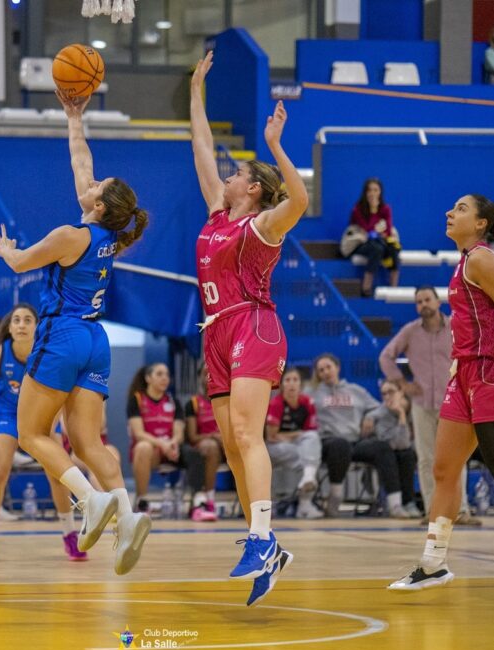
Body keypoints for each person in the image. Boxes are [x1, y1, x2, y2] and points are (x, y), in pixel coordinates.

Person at [0, 90, 151, 576]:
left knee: (30, 432)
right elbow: (82, 162)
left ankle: (88, 499)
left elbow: (20, 263)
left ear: (98, 204)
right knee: (86, 441)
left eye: (98, 185)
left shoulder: (70, 235)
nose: (92, 180)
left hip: (61, 336)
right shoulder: (107, 235)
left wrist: (5, 249)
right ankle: (125, 517)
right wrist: (74, 118)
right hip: (96, 342)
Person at [190, 51, 308, 606]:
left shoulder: (264, 224)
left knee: (245, 434)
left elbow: (301, 200)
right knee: (233, 449)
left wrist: (278, 146)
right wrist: (195, 91)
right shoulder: (218, 214)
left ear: (255, 189)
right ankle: (268, 544)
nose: (229, 175)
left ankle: (261, 539)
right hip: (214, 330)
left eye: (239, 173)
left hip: (253, 326)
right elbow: (202, 150)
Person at [388, 194, 494, 602]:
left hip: (491, 372)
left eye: (462, 209)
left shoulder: (483, 259)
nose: (450, 212)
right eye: (450, 207)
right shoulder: (464, 262)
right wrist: (458, 359)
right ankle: (434, 564)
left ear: (482, 223)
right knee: (443, 469)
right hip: (465, 373)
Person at [0, 304, 89, 563]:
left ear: (37, 326)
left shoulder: (48, 353)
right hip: (8, 415)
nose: (21, 324)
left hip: (41, 415)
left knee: (58, 476)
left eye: (27, 320)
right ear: (10, 327)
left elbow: (62, 392)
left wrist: (54, 424)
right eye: (17, 320)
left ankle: (70, 535)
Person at [379, 286, 480, 525]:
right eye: (419, 302)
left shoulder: (456, 326)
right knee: (426, 459)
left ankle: (461, 511)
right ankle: (432, 511)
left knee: (456, 459)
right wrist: (402, 383)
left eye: (427, 300)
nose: (423, 304)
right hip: (422, 404)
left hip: (454, 402)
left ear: (438, 302)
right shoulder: (410, 331)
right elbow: (386, 356)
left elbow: (472, 354)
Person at [311, 353, 410, 519]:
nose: (326, 372)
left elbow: (381, 407)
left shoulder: (356, 391)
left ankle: (395, 504)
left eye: (328, 367)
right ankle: (335, 498)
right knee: (339, 445)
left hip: (355, 441)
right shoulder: (313, 393)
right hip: (328, 443)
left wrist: (370, 416)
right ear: (318, 375)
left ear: (337, 368)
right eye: (321, 370)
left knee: (382, 447)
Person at [127, 363, 206, 518]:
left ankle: (198, 502)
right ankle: (142, 501)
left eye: (167, 374)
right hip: (151, 451)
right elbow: (139, 433)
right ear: (148, 378)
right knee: (143, 447)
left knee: (195, 453)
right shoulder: (136, 400)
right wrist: (162, 444)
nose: (165, 378)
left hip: (171, 450)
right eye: (159, 374)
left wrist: (173, 443)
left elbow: (179, 433)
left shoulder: (173, 401)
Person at [264, 368, 323, 520]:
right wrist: (295, 435)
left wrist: (299, 437)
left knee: (313, 440)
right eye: (288, 380)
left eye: (295, 380)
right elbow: (271, 436)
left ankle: (306, 494)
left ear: (301, 384)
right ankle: (304, 504)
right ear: (282, 384)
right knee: (311, 458)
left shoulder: (307, 402)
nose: (291, 384)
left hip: (299, 444)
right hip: (274, 448)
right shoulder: (276, 403)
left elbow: (310, 432)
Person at [367, 381, 420, 518]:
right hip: (388, 452)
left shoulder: (418, 410)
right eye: (383, 394)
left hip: (413, 451)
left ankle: (413, 502)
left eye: (390, 392)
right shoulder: (380, 414)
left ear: (401, 391)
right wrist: (402, 416)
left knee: (408, 454)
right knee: (405, 454)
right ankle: (401, 503)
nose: (387, 397)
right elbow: (399, 444)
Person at [347, 178, 400, 297]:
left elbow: (388, 229)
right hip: (361, 243)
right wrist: (374, 211)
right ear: (365, 192)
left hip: (379, 241)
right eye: (370, 190)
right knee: (377, 248)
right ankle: (366, 286)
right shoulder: (358, 209)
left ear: (380, 192)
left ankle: (394, 287)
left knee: (393, 248)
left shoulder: (386, 208)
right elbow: (366, 230)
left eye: (376, 190)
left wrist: (377, 231)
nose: (372, 193)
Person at [185, 364, 223, 521]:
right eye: (205, 373)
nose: (209, 376)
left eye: (213, 372)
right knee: (211, 447)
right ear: (200, 378)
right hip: (204, 446)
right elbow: (193, 437)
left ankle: (253, 502)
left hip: (227, 445)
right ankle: (209, 500)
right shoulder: (193, 403)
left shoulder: (229, 400)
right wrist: (214, 436)